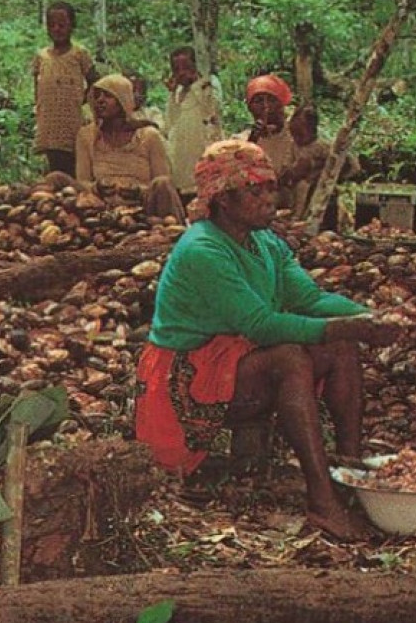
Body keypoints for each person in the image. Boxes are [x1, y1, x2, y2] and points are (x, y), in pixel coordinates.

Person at [134, 139, 401, 542]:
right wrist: (343, 326)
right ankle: (322, 501)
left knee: (339, 346)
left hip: (233, 359)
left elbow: (308, 299)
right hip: (186, 377)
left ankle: (350, 470)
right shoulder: (203, 249)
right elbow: (260, 324)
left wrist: (364, 317)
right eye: (254, 191)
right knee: (291, 359)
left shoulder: (264, 242)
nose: (268, 200)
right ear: (222, 200)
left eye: (270, 188)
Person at [53, 74, 184, 223]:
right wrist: (97, 188)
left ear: (123, 101)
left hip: (144, 209)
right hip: (100, 208)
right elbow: (82, 181)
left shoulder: (148, 136)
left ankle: (173, 232)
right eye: (97, 96)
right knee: (56, 178)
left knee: (163, 183)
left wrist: (139, 192)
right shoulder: (86, 136)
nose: (100, 101)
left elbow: (162, 181)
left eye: (108, 96)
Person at [31, 1, 97, 177]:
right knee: (54, 159)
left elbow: (95, 81)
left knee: (74, 161)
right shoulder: (41, 57)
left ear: (72, 26)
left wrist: (83, 99)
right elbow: (37, 86)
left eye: (62, 25)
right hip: (49, 120)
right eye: (52, 25)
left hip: (72, 119)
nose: (57, 29)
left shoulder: (79, 53)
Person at [162, 45, 222, 196]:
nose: (182, 73)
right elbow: (170, 123)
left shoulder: (208, 85)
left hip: (203, 148)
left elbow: (212, 107)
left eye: (187, 67)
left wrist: (196, 83)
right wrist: (172, 93)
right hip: (182, 156)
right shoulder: (178, 93)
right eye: (177, 69)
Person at [239, 74, 301, 208]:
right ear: (250, 107)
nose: (266, 107)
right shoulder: (241, 141)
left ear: (282, 104)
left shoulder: (298, 136)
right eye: (259, 101)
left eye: (271, 100)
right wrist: (252, 141)